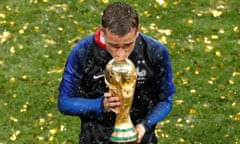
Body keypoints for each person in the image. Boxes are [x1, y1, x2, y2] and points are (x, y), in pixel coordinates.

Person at [58, 2, 176, 144]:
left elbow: (165, 100)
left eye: (127, 45)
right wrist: (100, 105)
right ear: (102, 31)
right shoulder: (82, 52)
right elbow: (65, 102)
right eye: (113, 45)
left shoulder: (155, 52)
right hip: (95, 139)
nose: (121, 54)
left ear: (138, 30)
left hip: (141, 139)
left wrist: (145, 125)